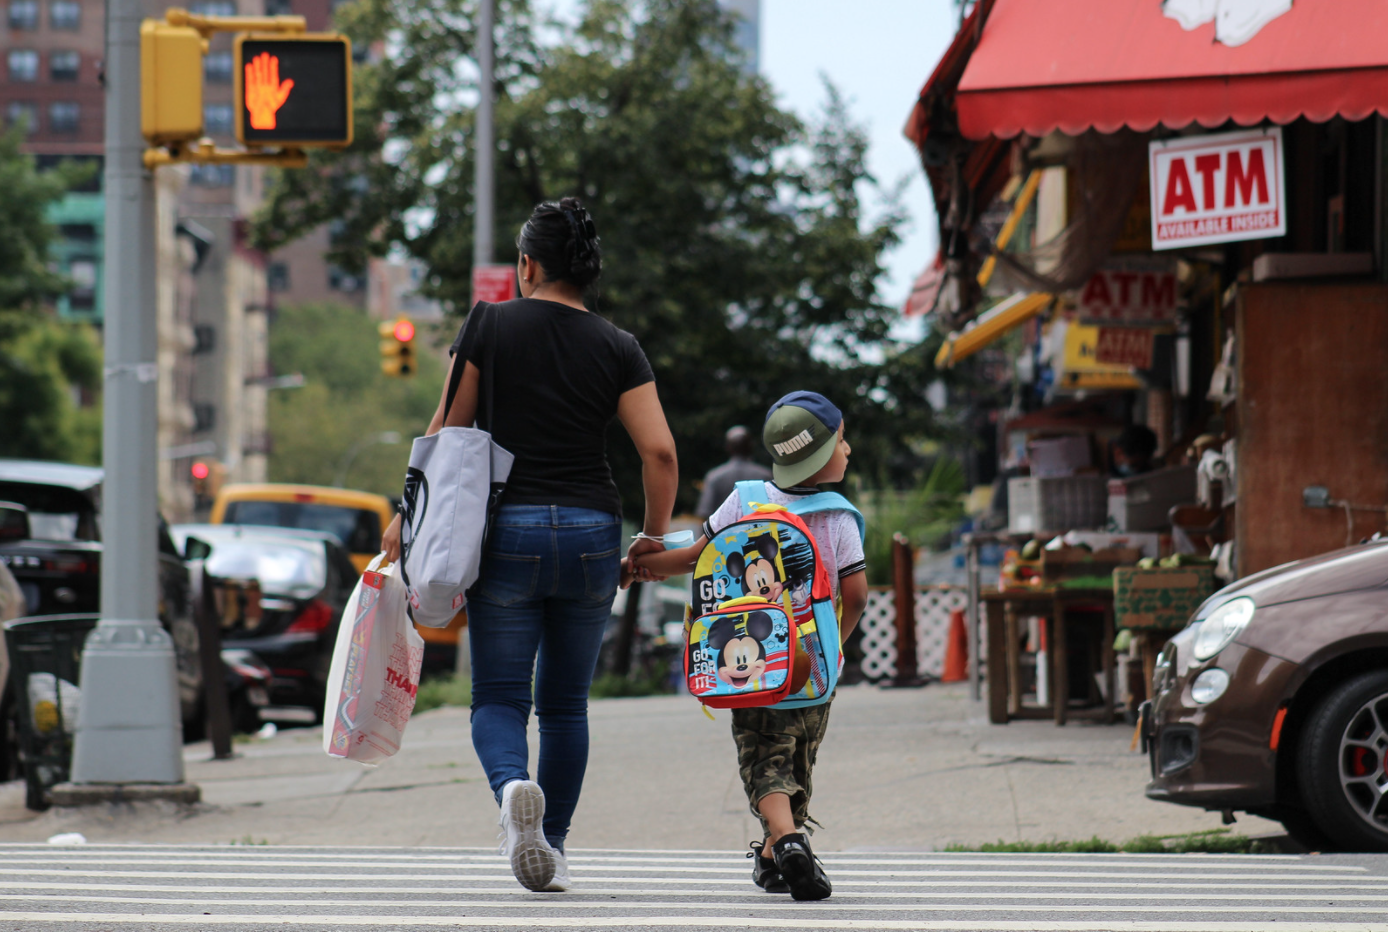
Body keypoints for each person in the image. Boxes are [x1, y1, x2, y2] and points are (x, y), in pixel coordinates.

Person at [382, 198, 678, 893]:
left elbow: (447, 430)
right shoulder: (618, 345)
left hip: (507, 530)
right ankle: (556, 845)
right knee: (566, 705)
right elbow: (660, 453)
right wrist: (651, 538)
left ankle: (514, 789)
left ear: (527, 265)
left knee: (498, 698)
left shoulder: (488, 325)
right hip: (592, 533)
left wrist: (405, 515)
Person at [632, 391, 868, 901]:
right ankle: (786, 843)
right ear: (819, 451)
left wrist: (640, 566)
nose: (848, 450)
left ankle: (780, 848)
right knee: (797, 759)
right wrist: (833, 648)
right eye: (842, 440)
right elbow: (856, 596)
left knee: (765, 759)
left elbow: (697, 557)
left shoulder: (745, 500)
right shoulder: (840, 518)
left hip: (750, 664)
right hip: (814, 668)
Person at [695, 426, 773, 518]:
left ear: (727, 447)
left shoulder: (714, 477)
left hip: (723, 527)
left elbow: (704, 512)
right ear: (751, 446)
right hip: (761, 526)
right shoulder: (765, 476)